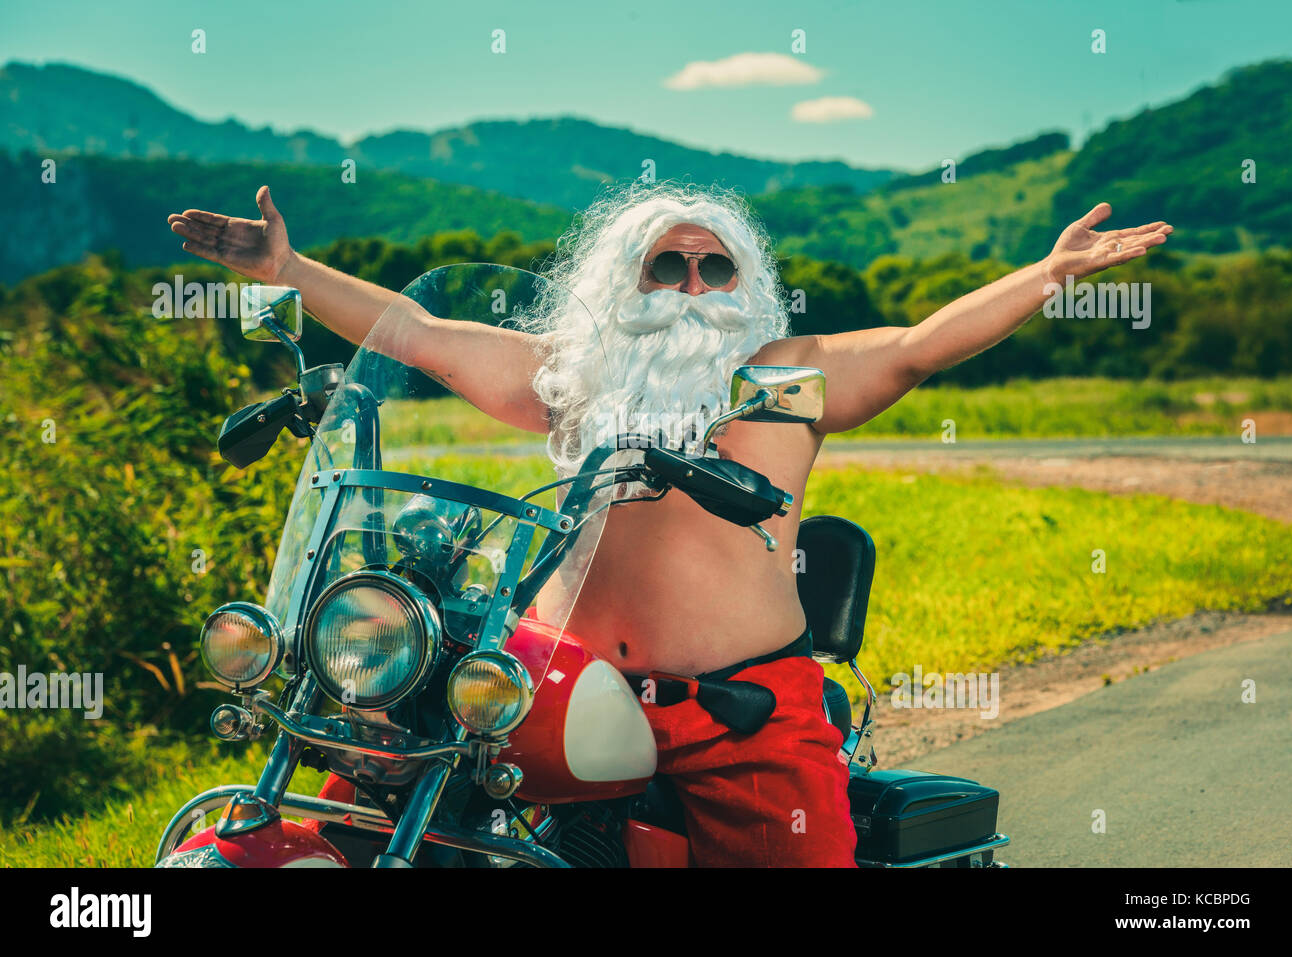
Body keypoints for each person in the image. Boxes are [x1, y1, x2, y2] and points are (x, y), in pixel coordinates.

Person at [168, 182, 1171, 866]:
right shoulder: (574, 376)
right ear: (620, 283)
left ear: (745, 287)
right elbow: (422, 336)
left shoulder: (782, 378)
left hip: (739, 710)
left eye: (713, 269)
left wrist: (1048, 277)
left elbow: (916, 346)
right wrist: (291, 271)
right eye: (664, 267)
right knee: (397, 789)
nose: (690, 287)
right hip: (545, 687)